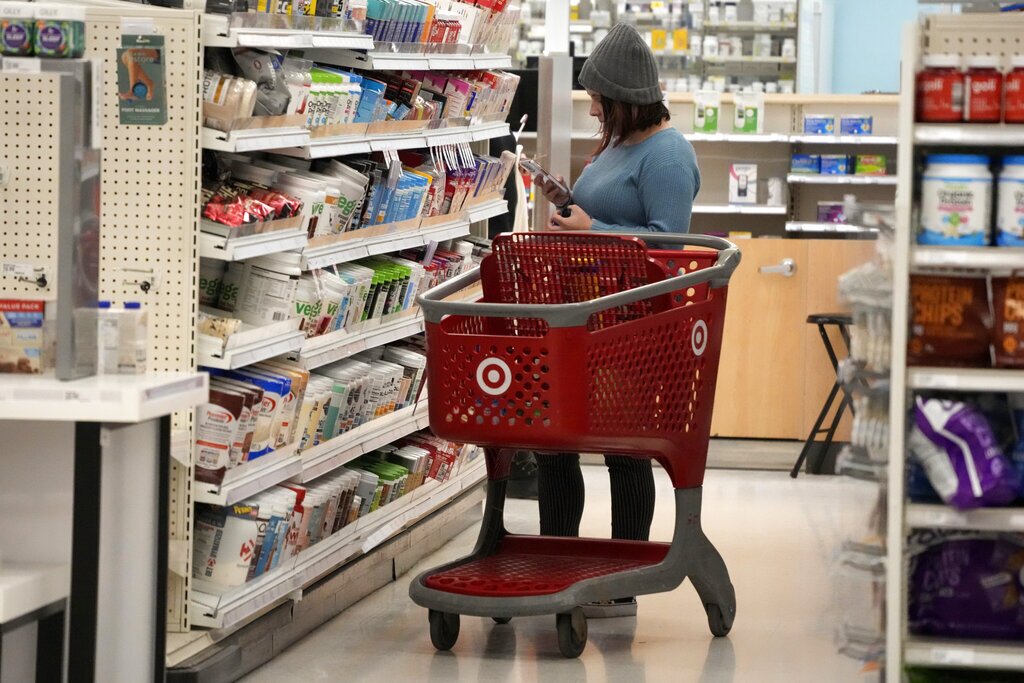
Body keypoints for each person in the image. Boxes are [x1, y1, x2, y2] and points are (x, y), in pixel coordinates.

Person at [531, 22, 702, 617]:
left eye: (601, 103)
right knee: (555, 445)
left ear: (627, 100)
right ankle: (557, 564)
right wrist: (566, 205)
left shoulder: (668, 153)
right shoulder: (616, 147)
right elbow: (601, 214)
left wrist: (593, 230)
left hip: (635, 329)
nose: (595, 113)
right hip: (583, 319)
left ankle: (626, 578)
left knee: (624, 450)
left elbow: (670, 248)